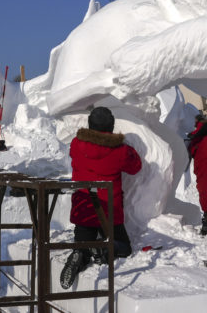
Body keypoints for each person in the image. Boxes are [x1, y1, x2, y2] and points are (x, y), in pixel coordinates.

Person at [60, 106, 142, 289]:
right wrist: (127, 148)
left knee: (83, 238)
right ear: (111, 126)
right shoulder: (120, 151)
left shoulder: (76, 143)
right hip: (109, 213)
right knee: (124, 247)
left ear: (90, 125)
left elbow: (74, 156)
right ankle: (102, 250)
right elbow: (136, 166)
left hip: (84, 209)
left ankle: (81, 253)